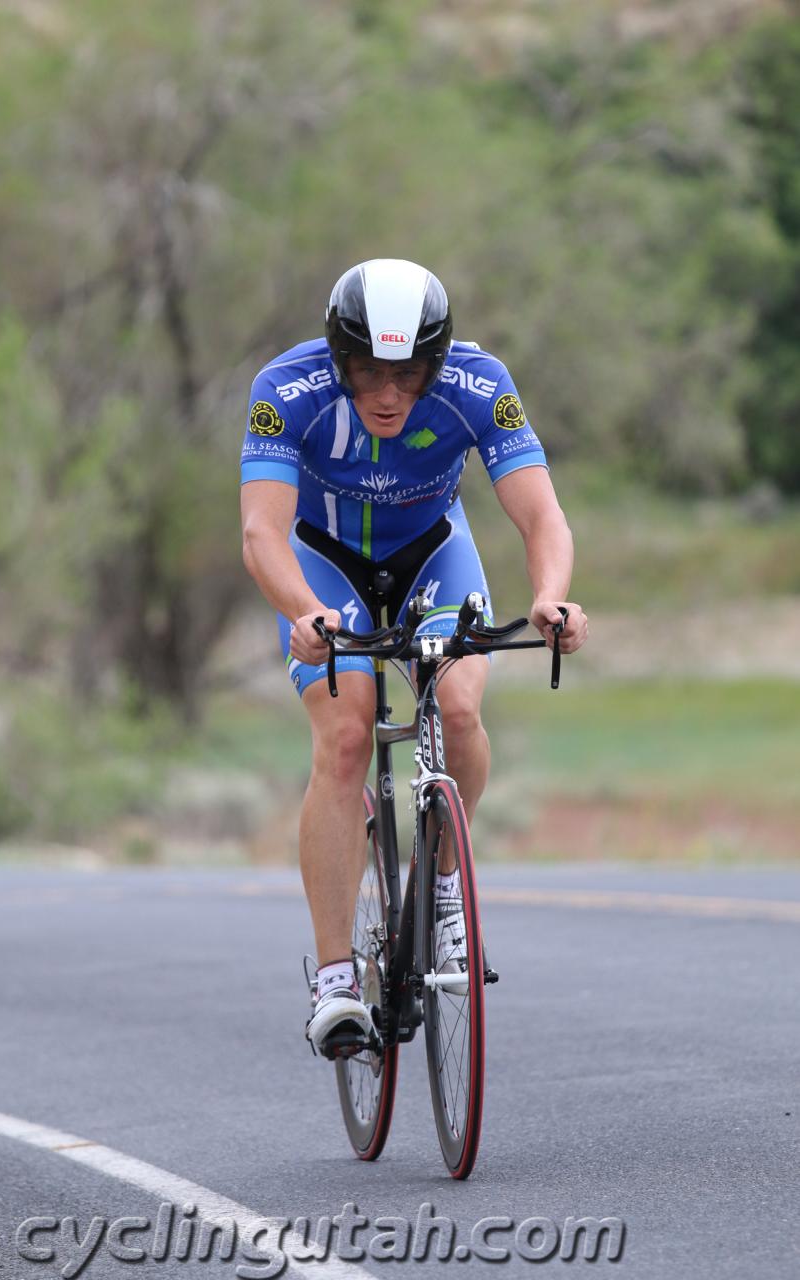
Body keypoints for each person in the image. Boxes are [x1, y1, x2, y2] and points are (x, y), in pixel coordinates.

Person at [240, 258, 588, 1056]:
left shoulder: (478, 382)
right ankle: (334, 982)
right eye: (366, 371)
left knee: (458, 706)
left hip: (434, 552)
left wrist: (551, 597)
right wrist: (304, 612)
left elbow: (542, 515)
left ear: (438, 360)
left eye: (409, 373)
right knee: (347, 734)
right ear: (337, 356)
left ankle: (441, 889)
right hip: (324, 567)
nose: (388, 393)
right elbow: (262, 532)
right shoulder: (285, 389)